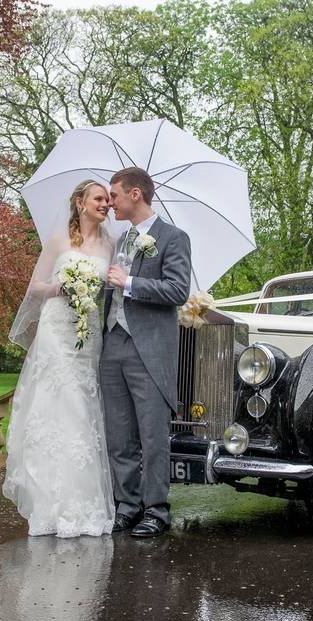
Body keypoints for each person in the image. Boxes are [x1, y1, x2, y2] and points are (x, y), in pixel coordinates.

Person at [3, 179, 116, 538]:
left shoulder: (111, 245)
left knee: (82, 409)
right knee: (56, 408)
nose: (106, 205)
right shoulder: (58, 242)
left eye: (109, 200)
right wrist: (61, 287)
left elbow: (110, 290)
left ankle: (84, 505)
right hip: (56, 329)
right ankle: (50, 506)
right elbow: (35, 287)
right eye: (100, 199)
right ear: (80, 203)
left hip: (88, 333)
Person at [101, 167, 192, 538]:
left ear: (135, 194)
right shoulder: (120, 239)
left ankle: (157, 509)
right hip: (113, 344)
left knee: (153, 433)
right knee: (119, 433)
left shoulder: (173, 237)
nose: (111, 203)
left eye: (115, 196)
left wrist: (131, 282)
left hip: (150, 349)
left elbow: (177, 290)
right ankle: (127, 505)